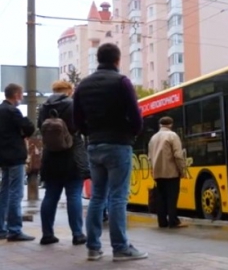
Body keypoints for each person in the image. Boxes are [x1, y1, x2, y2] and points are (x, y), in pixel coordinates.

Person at [73, 43, 147, 262]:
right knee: (117, 197)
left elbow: (77, 120)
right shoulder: (122, 82)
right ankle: (120, 248)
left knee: (97, 197)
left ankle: (93, 248)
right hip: (118, 144)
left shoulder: (82, 86)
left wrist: (91, 133)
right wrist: (131, 133)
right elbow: (135, 116)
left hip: (94, 145)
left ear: (98, 59)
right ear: (117, 60)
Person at [37, 81, 89, 246]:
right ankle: (77, 234)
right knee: (73, 195)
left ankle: (47, 234)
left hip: (51, 157)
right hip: (71, 155)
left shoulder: (44, 107)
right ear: (68, 91)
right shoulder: (72, 105)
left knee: (50, 196)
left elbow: (40, 127)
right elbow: (81, 126)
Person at [0, 83, 35, 241]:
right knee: (16, 193)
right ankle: (14, 229)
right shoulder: (13, 111)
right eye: (21, 94)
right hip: (15, 156)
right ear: (15, 95)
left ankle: (1, 228)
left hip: (3, 157)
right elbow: (29, 129)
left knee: (4, 192)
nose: (21, 97)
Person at [148, 116, 187, 229]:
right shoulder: (172, 135)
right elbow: (178, 155)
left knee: (161, 197)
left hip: (157, 173)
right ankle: (173, 221)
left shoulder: (153, 138)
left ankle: (162, 221)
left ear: (160, 125)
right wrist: (182, 170)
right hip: (171, 172)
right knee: (172, 197)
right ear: (171, 124)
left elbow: (150, 157)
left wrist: (153, 169)